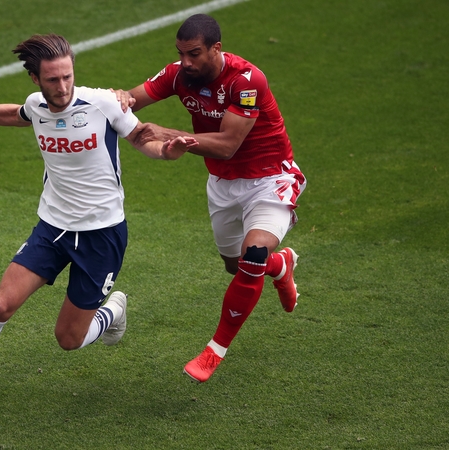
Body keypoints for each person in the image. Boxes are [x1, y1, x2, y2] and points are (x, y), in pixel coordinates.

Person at [0, 33, 197, 421]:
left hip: (102, 235)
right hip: (53, 228)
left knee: (68, 339)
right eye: (52, 80)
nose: (61, 87)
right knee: (0, 306)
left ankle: (112, 310)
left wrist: (168, 150)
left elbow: (143, 140)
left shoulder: (104, 103)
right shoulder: (36, 105)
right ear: (36, 80)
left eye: (67, 77)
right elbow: (17, 114)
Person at [114, 14, 307, 383]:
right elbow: (132, 100)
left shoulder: (246, 81)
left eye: (195, 54)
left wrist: (171, 132)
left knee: (251, 256)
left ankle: (214, 351)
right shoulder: (178, 74)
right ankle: (280, 266)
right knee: (236, 268)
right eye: (181, 53)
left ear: (216, 49)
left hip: (270, 180)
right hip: (222, 185)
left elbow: (228, 145)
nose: (186, 62)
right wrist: (119, 98)